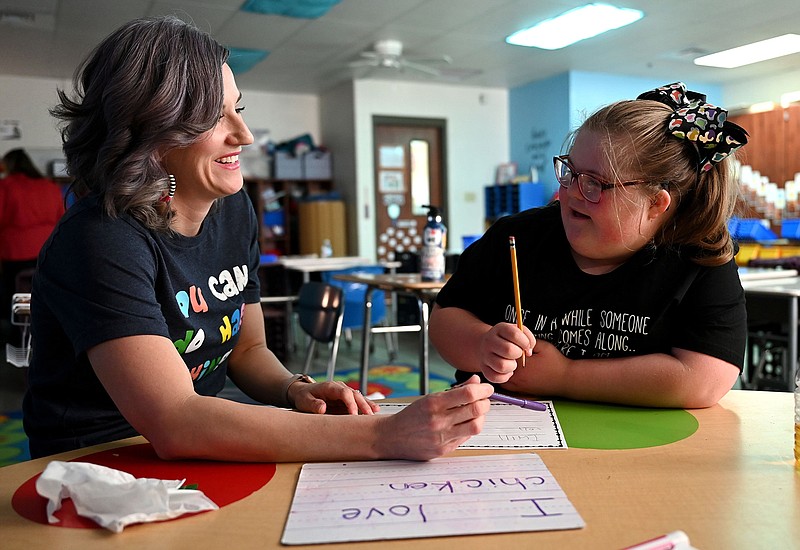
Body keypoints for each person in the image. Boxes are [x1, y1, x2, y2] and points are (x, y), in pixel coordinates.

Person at [23, 16, 493, 460]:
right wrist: (382, 434)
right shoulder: (100, 240)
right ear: (149, 133)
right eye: (213, 117)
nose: (244, 134)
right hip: (100, 456)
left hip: (206, 432)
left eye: (238, 108)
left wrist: (294, 387)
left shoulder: (232, 209)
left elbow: (247, 350)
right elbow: (175, 420)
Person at [430, 82, 749, 409]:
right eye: (570, 172)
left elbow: (705, 378)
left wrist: (565, 376)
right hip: (499, 426)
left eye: (595, 183)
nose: (571, 192)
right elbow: (446, 317)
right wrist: (482, 345)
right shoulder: (517, 236)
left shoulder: (701, 257)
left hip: (633, 445)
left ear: (656, 202)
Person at [0, 148, 65, 341]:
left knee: (15, 294)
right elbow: (60, 217)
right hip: (46, 250)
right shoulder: (50, 185)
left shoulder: (6, 186)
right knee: (42, 293)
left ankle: (17, 334)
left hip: (15, 252)